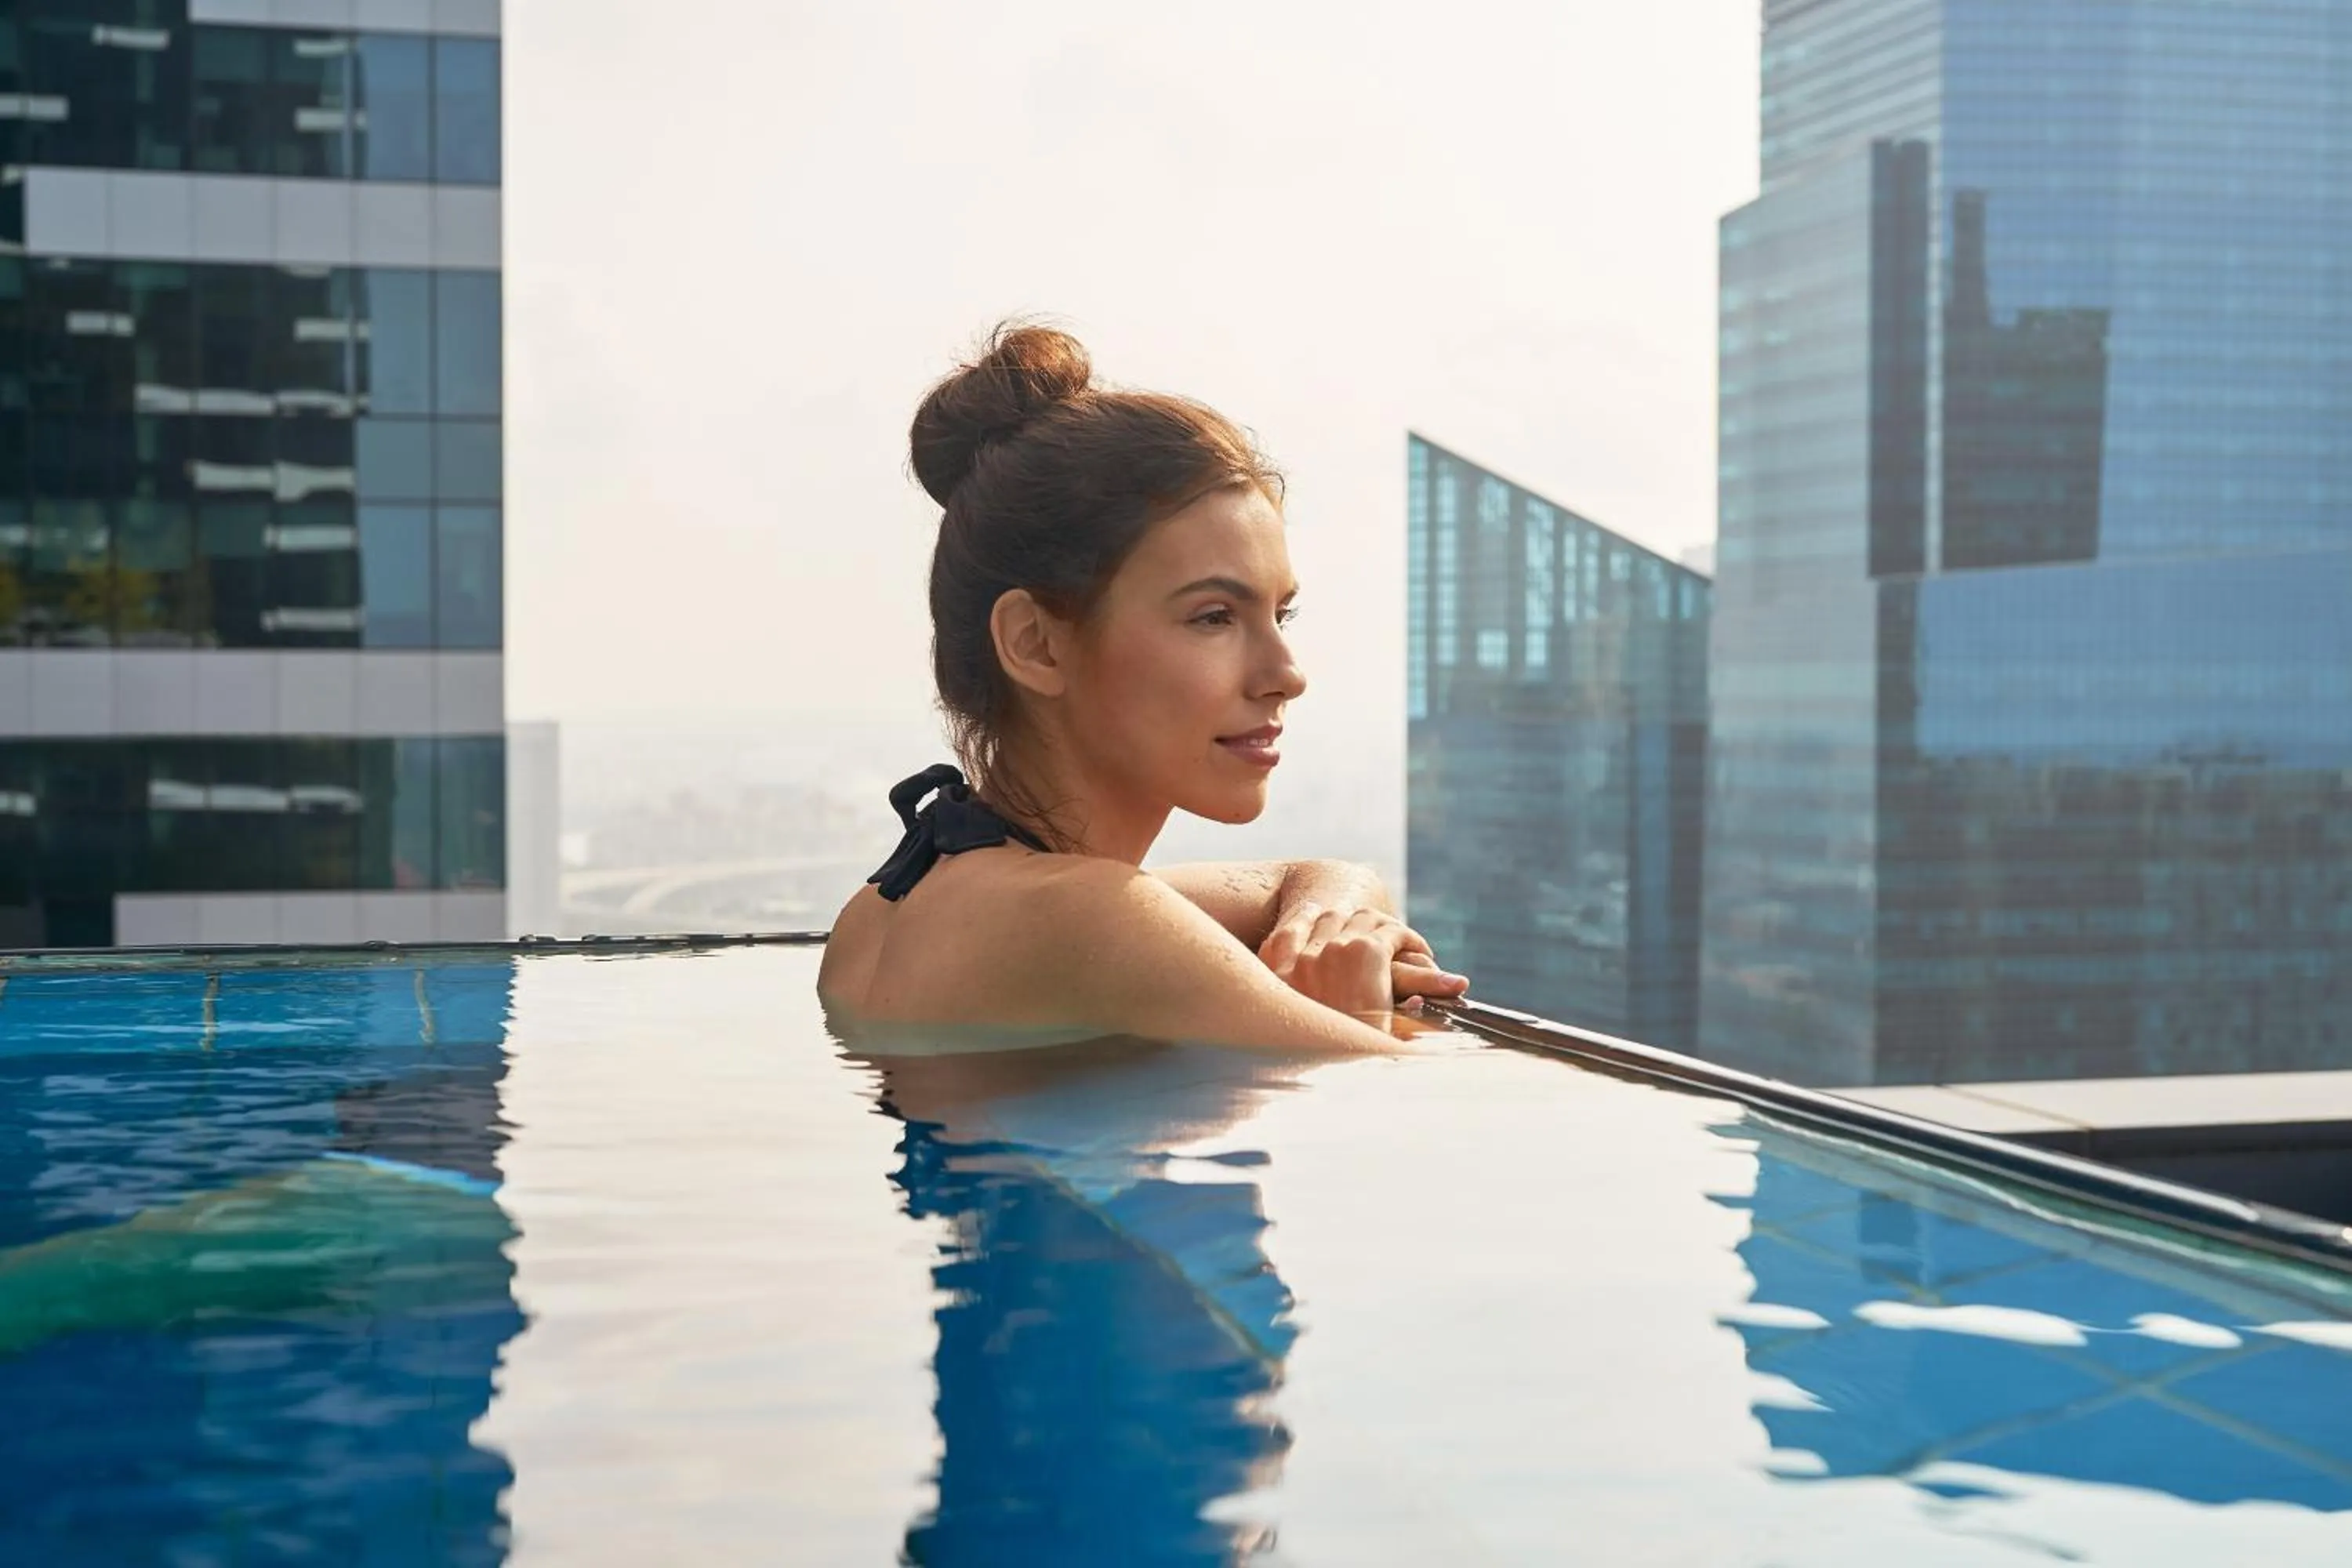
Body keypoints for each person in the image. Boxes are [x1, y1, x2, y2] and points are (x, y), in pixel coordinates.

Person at [821, 322, 1469, 1052]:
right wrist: (1355, 1016)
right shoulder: (1094, 923)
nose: (1286, 675)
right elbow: (1431, 1138)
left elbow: (1327, 877)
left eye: (1279, 613)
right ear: (1035, 644)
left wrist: (1331, 918)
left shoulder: (887, 906)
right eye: (1214, 616)